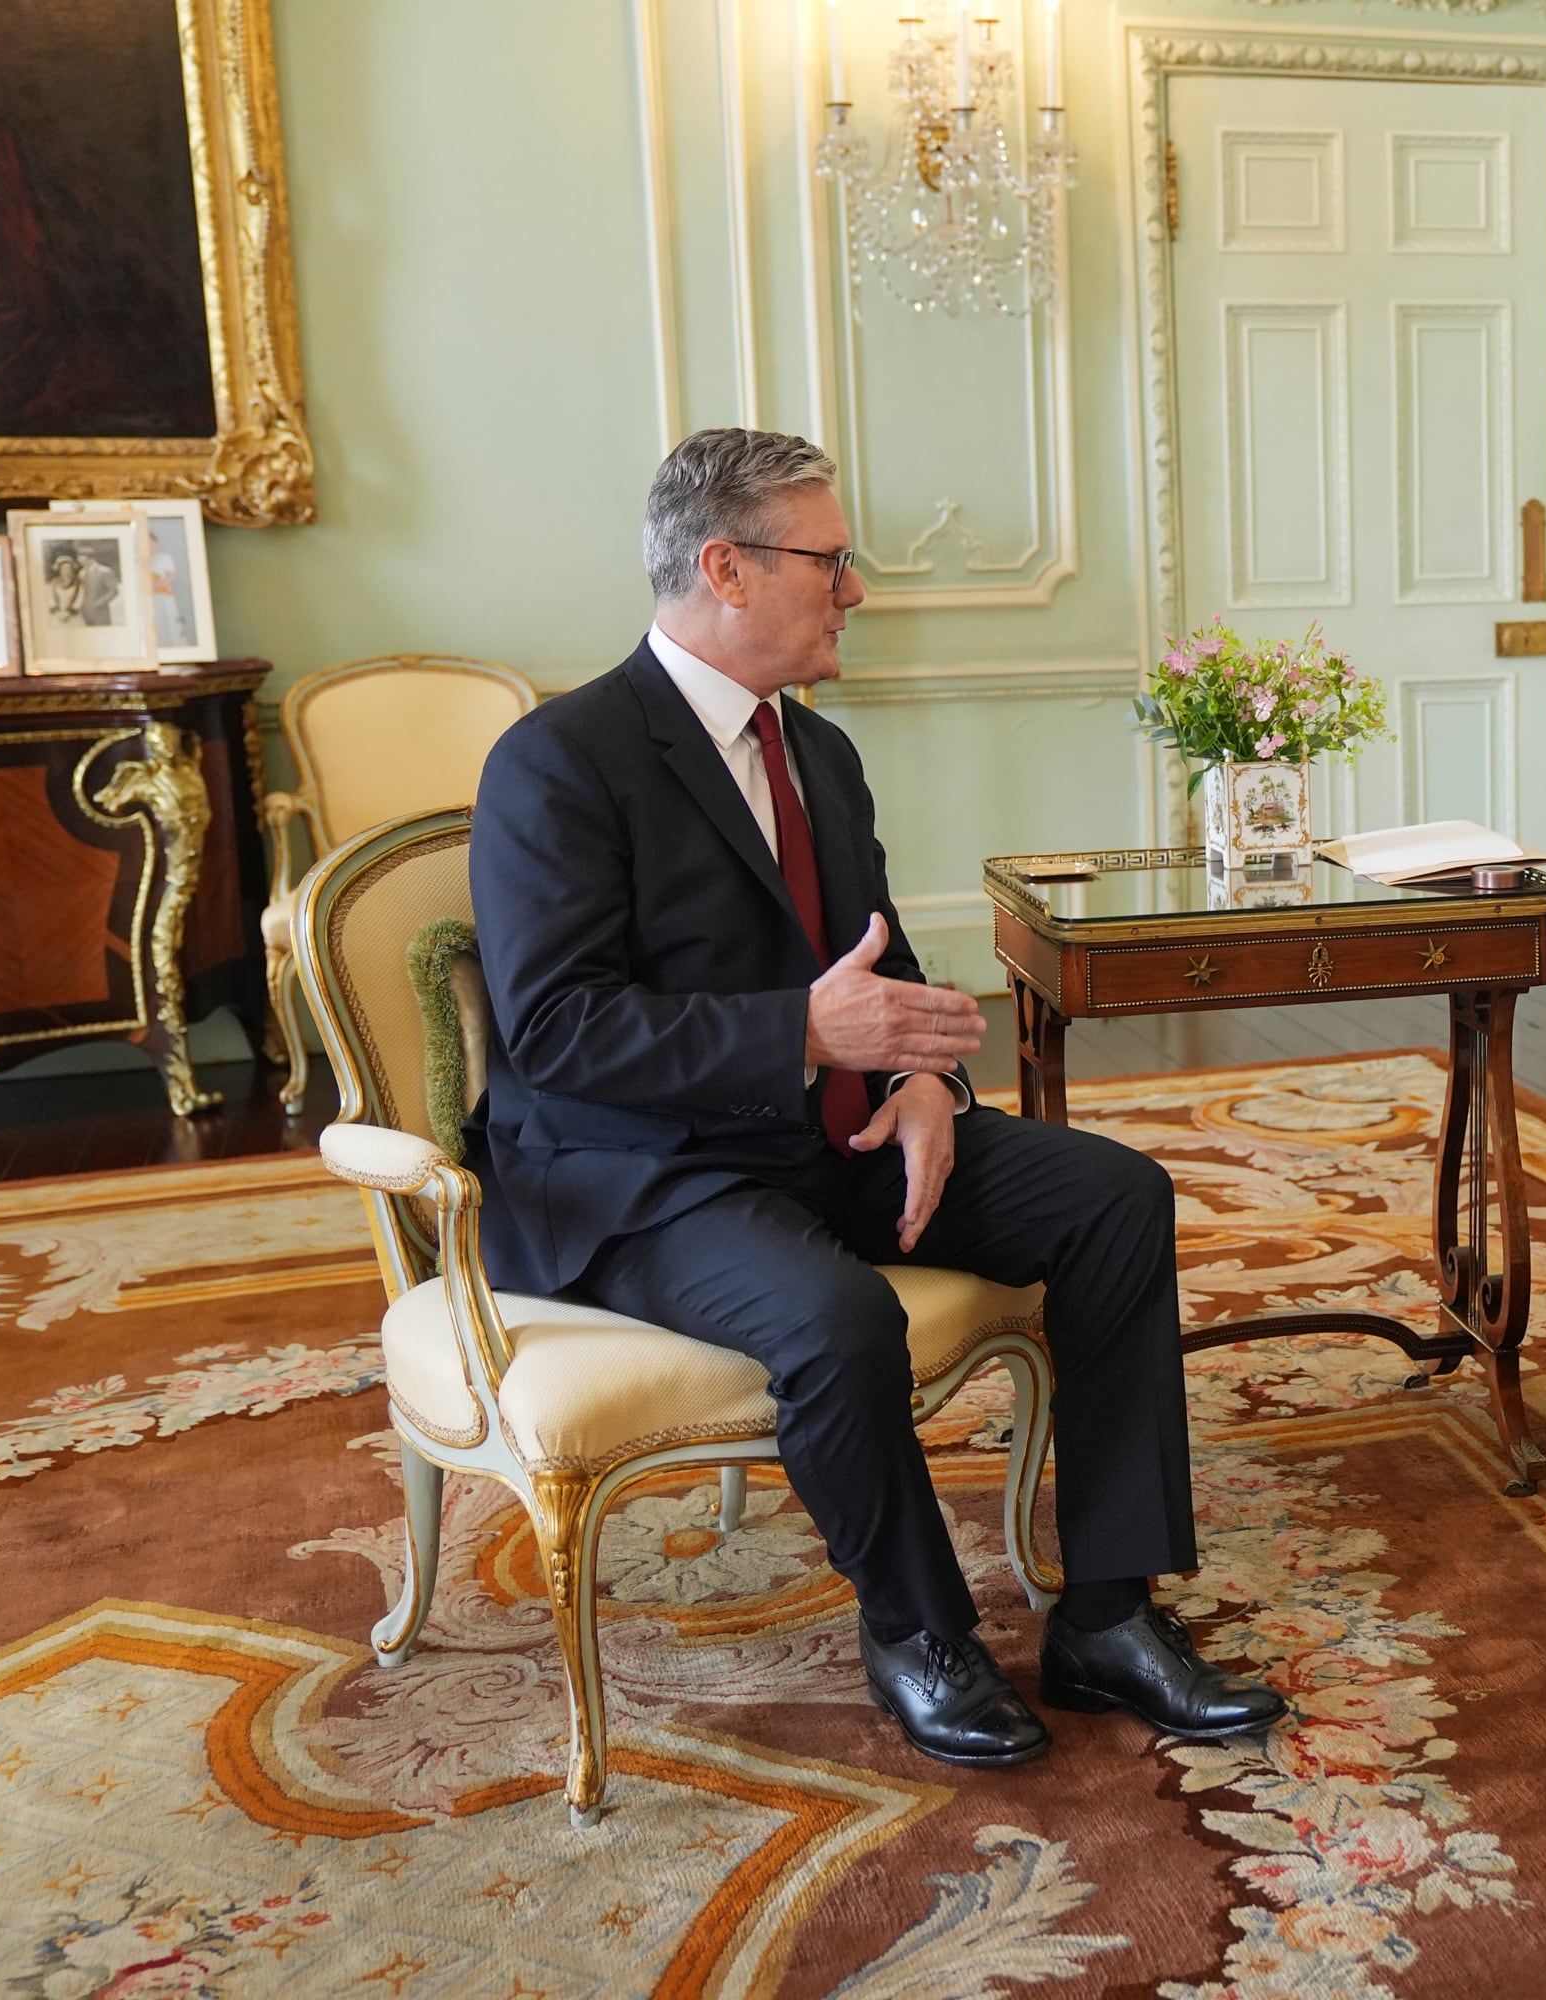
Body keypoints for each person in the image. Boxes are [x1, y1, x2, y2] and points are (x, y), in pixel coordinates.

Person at [467, 428, 1286, 1769]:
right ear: (726, 568)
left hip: (828, 1132)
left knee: (1114, 1197)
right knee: (837, 1318)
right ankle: (920, 1633)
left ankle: (1108, 1613)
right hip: (643, 1173)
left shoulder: (820, 756)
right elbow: (558, 1033)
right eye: (832, 563)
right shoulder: (560, 761)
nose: (855, 593)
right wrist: (801, 1032)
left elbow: (880, 967)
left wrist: (920, 1083)